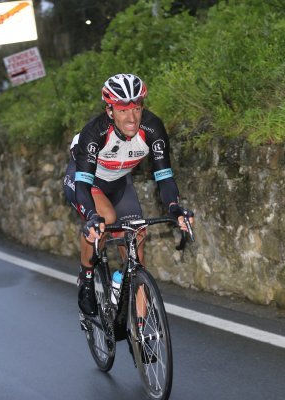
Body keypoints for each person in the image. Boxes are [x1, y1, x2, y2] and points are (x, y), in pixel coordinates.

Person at [63, 73, 194, 317]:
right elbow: (83, 185)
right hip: (85, 181)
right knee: (105, 218)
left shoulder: (152, 128)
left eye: (136, 108)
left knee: (137, 241)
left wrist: (175, 208)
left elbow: (164, 177)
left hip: (120, 182)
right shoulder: (95, 132)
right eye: (123, 111)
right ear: (110, 111)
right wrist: (91, 216)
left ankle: (142, 331)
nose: (131, 118)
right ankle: (87, 278)